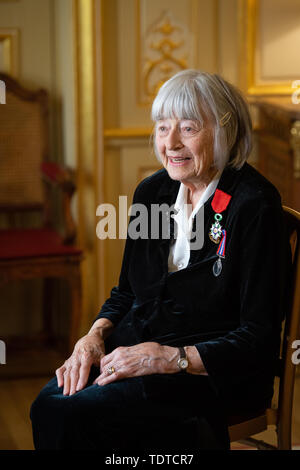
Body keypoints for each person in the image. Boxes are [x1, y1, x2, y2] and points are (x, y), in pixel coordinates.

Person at [30, 69, 291, 452]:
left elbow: (258, 336)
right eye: (162, 126)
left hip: (212, 373)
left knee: (75, 416)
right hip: (139, 348)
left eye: (188, 128)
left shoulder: (253, 205)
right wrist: (91, 338)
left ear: (224, 131)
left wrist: (169, 358)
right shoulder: (152, 192)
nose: (170, 142)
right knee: (48, 406)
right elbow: (126, 292)